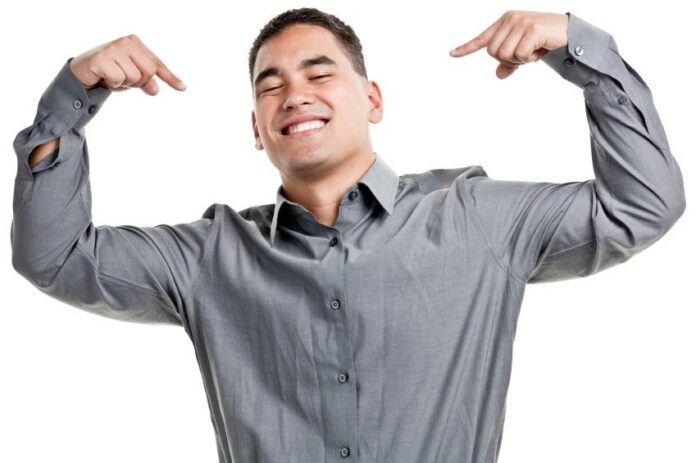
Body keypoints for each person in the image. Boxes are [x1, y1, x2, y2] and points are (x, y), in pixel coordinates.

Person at [10, 6, 685, 463]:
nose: (294, 94)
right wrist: (70, 99)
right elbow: (54, 256)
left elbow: (644, 204)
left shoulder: (477, 218)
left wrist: (579, 47)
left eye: (319, 72)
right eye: (270, 86)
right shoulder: (209, 257)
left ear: (373, 100)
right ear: (257, 129)